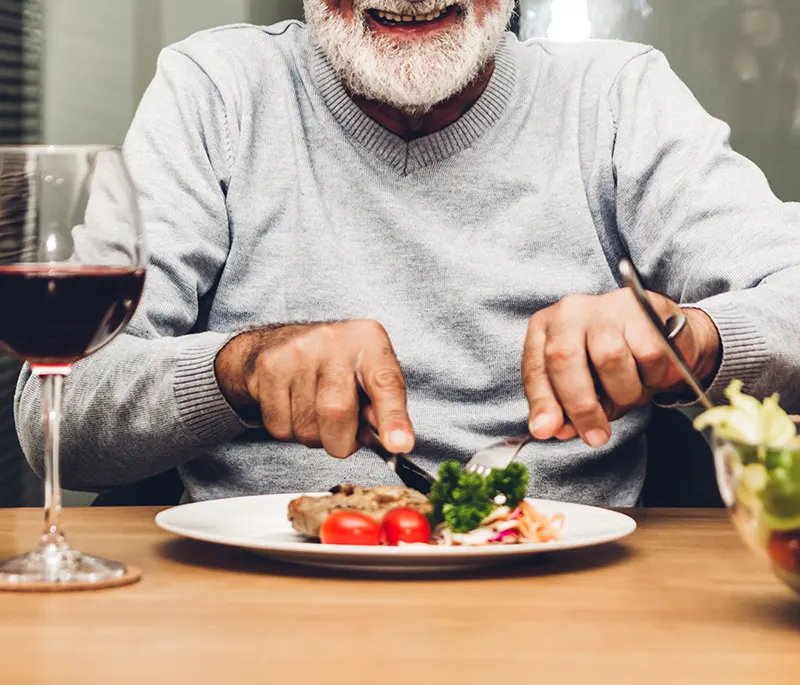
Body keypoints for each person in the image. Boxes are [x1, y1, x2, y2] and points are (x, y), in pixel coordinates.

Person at [14, 0, 800, 505]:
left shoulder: (619, 96)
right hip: (250, 605)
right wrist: (239, 369)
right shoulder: (213, 90)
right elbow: (60, 412)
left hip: (564, 601)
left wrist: (688, 339)